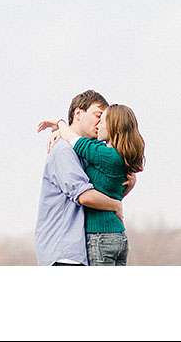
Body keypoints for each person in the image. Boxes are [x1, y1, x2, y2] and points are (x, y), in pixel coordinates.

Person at [38, 102, 145, 266]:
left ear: (113, 126)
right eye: (98, 115)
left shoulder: (102, 154)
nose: (99, 123)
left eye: (103, 119)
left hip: (99, 237)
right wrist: (116, 203)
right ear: (79, 113)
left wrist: (60, 124)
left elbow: (86, 197)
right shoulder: (111, 154)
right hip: (112, 236)